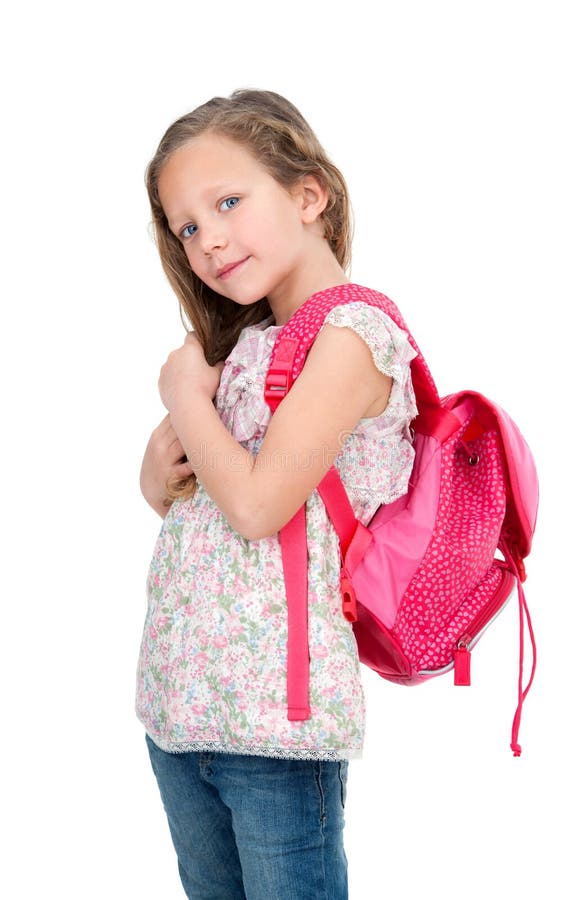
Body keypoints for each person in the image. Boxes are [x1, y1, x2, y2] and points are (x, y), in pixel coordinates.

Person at [136, 88, 418, 900]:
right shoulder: (250, 346)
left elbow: (258, 508)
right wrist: (156, 471)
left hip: (276, 729)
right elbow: (191, 503)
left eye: (228, 201)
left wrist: (183, 396)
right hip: (179, 705)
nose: (209, 238)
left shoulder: (354, 338)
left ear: (307, 194)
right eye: (187, 226)